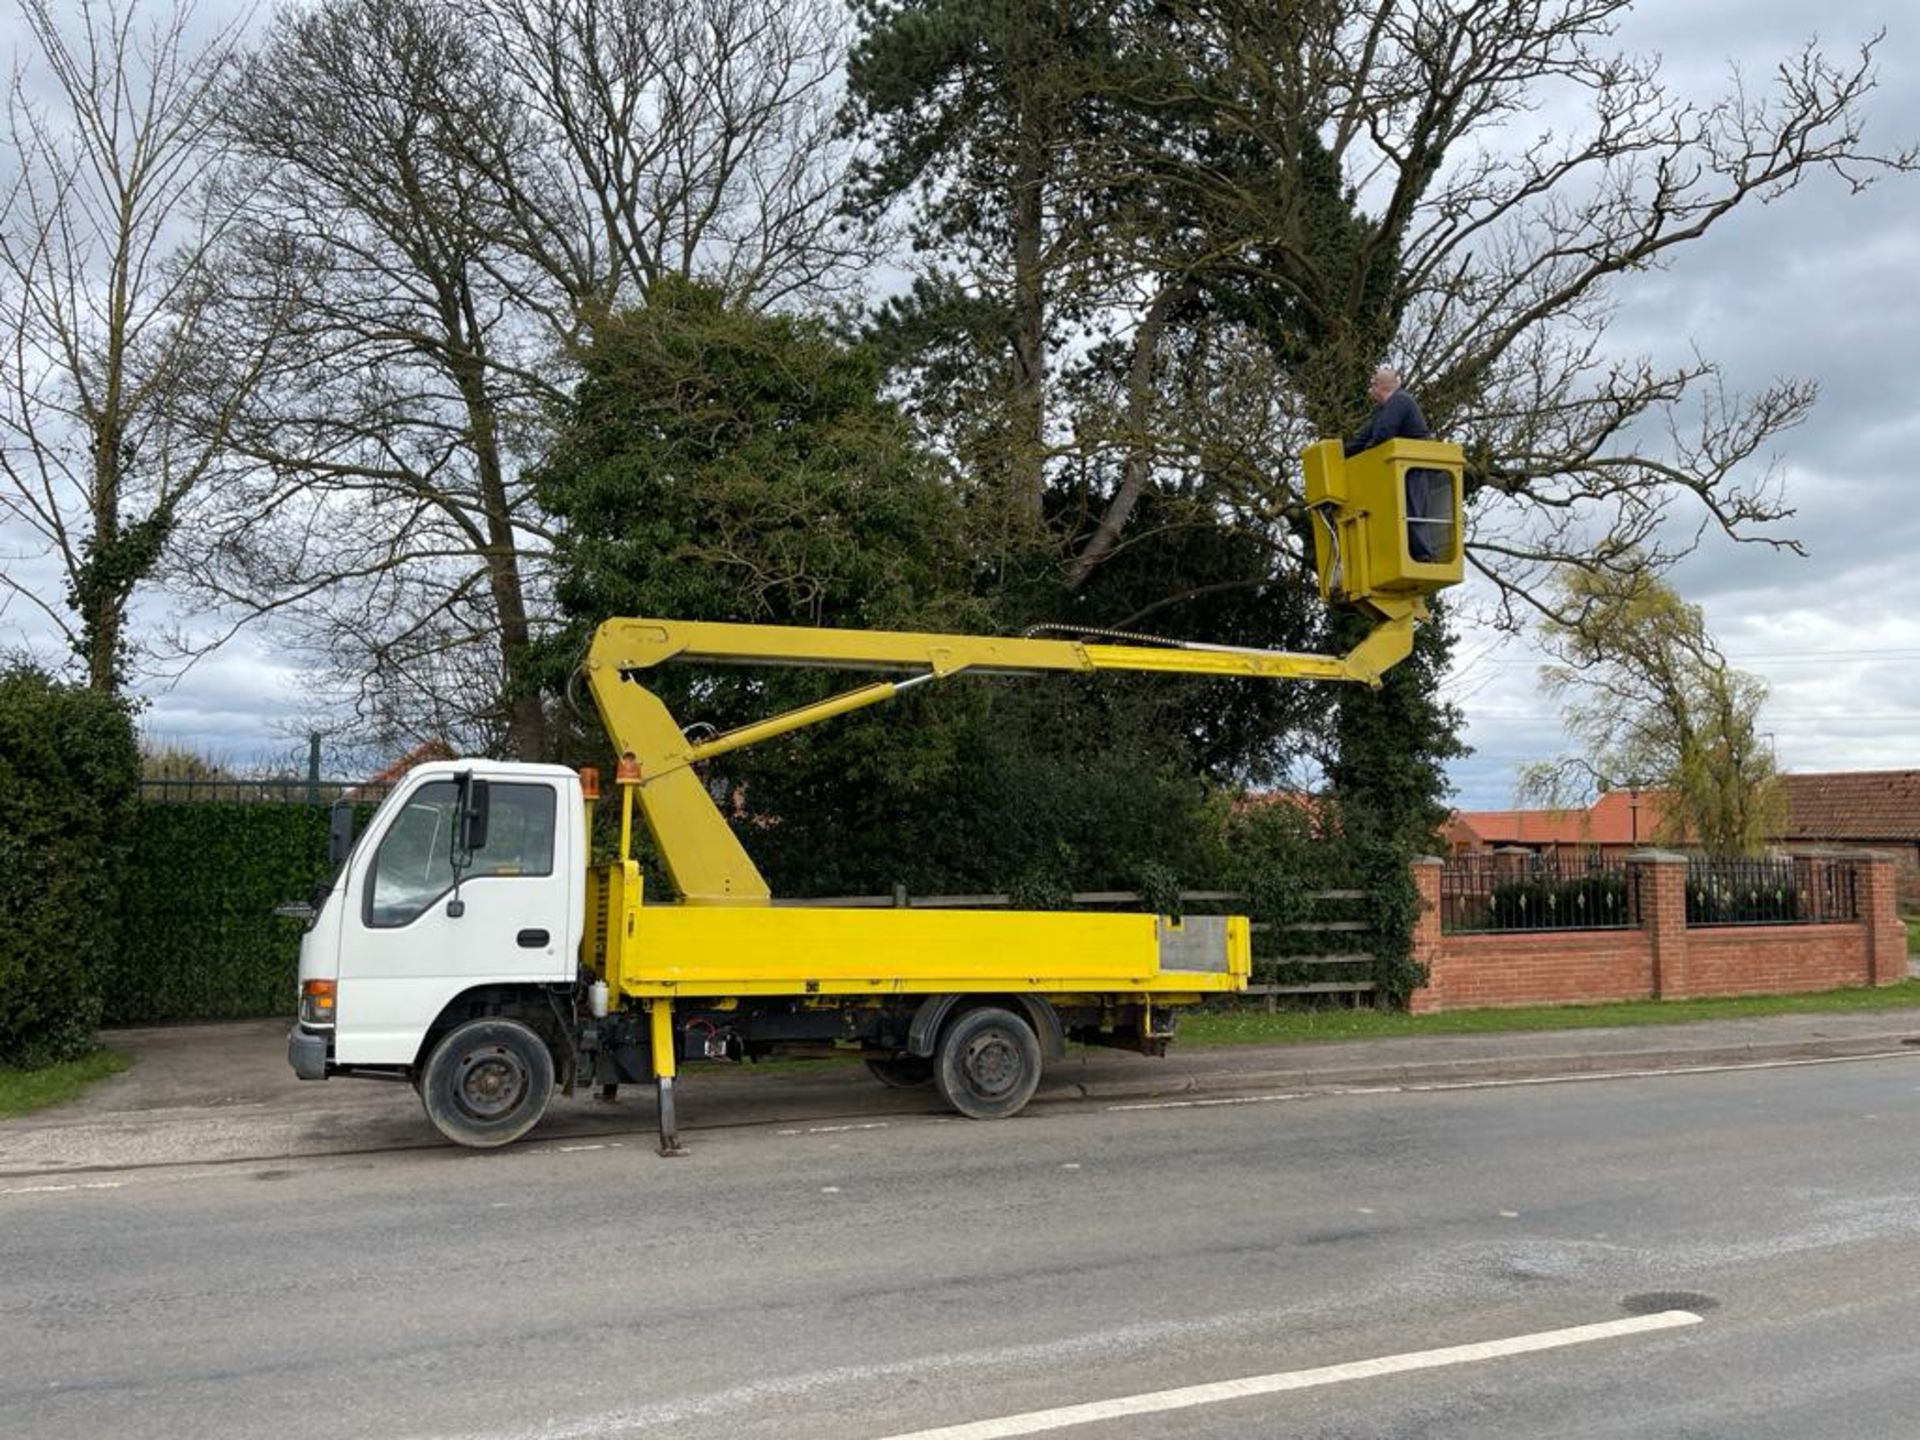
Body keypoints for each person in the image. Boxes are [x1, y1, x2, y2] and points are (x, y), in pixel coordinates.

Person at [1344, 367, 1447, 563]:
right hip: (1402, 469)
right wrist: (1340, 453)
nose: (1369, 391)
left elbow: (1383, 433)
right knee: (1401, 510)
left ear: (1380, 386)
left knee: (1413, 511)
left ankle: (1424, 555)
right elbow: (1364, 437)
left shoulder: (1400, 401)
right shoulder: (1383, 410)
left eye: (1372, 385)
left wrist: (1367, 453)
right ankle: (1410, 553)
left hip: (1416, 467)